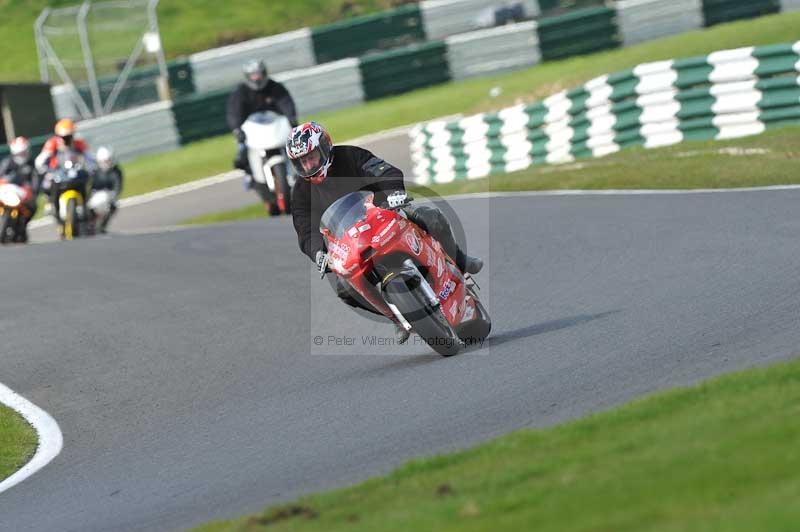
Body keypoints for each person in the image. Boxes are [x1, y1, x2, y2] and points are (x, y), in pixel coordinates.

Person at [287, 121, 483, 344]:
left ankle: (459, 260)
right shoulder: (301, 192)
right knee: (344, 287)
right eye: (301, 162)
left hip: (383, 214)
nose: (308, 165)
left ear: (325, 146)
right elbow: (305, 230)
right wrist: (318, 253)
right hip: (351, 241)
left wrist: (395, 192)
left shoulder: (350, 155)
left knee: (429, 215)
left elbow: (384, 170)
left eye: (311, 157)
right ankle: (396, 318)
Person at [226, 59, 298, 187]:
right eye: (253, 75)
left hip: (275, 126)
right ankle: (249, 174)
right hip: (251, 129)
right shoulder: (241, 92)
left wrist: (291, 118)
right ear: (248, 76)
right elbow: (234, 112)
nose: (257, 78)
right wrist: (237, 129)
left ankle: (299, 170)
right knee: (242, 152)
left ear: (264, 73)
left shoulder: (275, 87)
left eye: (258, 74)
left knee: (296, 143)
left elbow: (286, 103)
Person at [35, 118, 92, 212]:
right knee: (47, 184)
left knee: (88, 180)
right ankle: (51, 203)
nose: (66, 139)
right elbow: (41, 159)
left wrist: (91, 166)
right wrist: (43, 169)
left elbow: (89, 156)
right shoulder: (52, 143)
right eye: (63, 137)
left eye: (69, 136)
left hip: (76, 171)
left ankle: (86, 203)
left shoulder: (79, 143)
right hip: (57, 172)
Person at [0, 137, 39, 240]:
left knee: (32, 206)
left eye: (23, 152)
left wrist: (31, 191)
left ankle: (22, 226)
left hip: (23, 196)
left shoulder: (31, 164)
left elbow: (35, 181)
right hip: (7, 193)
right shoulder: (7, 163)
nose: (21, 156)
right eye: (19, 153)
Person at [91, 146, 123, 233]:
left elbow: (118, 186)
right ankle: (90, 224)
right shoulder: (94, 171)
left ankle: (102, 226)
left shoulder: (116, 171)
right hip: (94, 196)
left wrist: (113, 196)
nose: (108, 163)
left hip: (108, 196)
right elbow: (89, 186)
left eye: (109, 160)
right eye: (105, 161)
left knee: (113, 205)